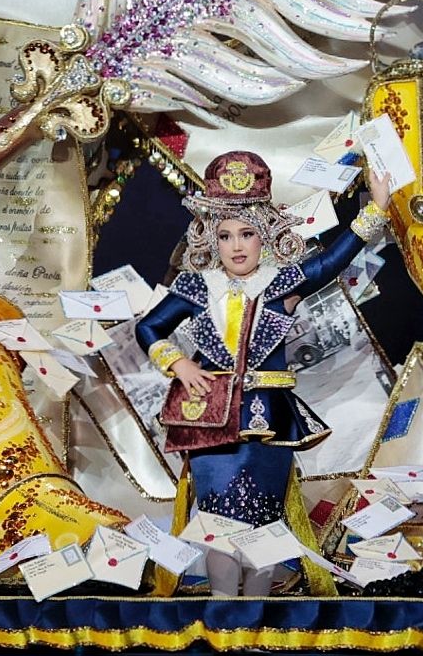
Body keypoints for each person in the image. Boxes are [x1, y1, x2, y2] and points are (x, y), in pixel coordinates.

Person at [134, 150, 390, 597]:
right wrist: (178, 363)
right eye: (226, 234)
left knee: (262, 521)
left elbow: (332, 262)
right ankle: (222, 608)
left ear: (264, 237)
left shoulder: (280, 283)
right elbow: (149, 326)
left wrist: (378, 208)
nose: (236, 245)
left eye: (247, 233)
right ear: (210, 238)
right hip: (209, 420)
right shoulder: (196, 285)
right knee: (218, 519)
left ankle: (254, 614)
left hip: (269, 419)